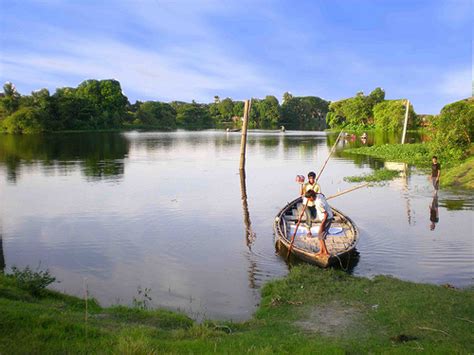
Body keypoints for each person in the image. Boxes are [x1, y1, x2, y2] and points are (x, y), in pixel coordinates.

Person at [305, 190, 333, 256]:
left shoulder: (318, 203)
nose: (308, 200)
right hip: (329, 216)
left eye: (309, 198)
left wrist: (322, 225)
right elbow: (321, 194)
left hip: (326, 218)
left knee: (320, 236)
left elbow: (325, 214)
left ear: (311, 197)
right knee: (320, 236)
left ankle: (326, 252)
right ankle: (321, 251)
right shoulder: (320, 196)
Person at [299, 172, 321, 236]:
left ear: (314, 178)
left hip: (314, 204)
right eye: (310, 178)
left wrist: (313, 194)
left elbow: (319, 194)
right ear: (308, 178)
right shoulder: (306, 185)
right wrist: (301, 185)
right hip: (306, 204)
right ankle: (309, 231)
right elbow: (301, 194)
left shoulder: (317, 185)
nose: (311, 179)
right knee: (308, 216)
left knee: (313, 217)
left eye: (313, 178)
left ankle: (307, 223)